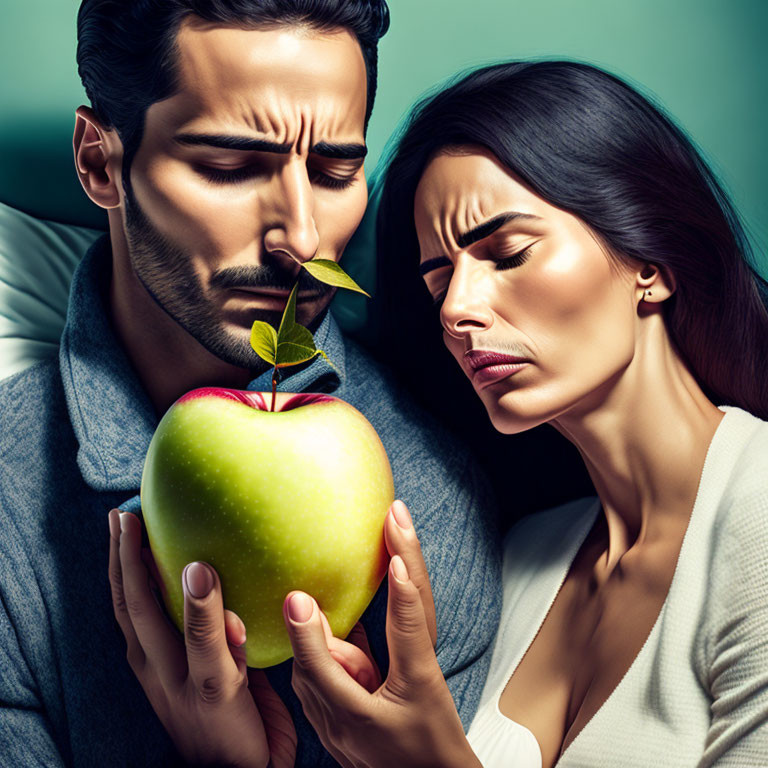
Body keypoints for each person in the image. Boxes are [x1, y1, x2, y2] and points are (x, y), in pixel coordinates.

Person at [127, 60, 768, 766]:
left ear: (651, 260)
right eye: (439, 281)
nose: (458, 310)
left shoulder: (756, 510)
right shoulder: (524, 555)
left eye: (507, 252)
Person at [0, 3, 504, 766]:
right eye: (229, 167)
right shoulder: (8, 498)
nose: (302, 239)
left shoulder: (426, 501)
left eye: (335, 171)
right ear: (101, 163)